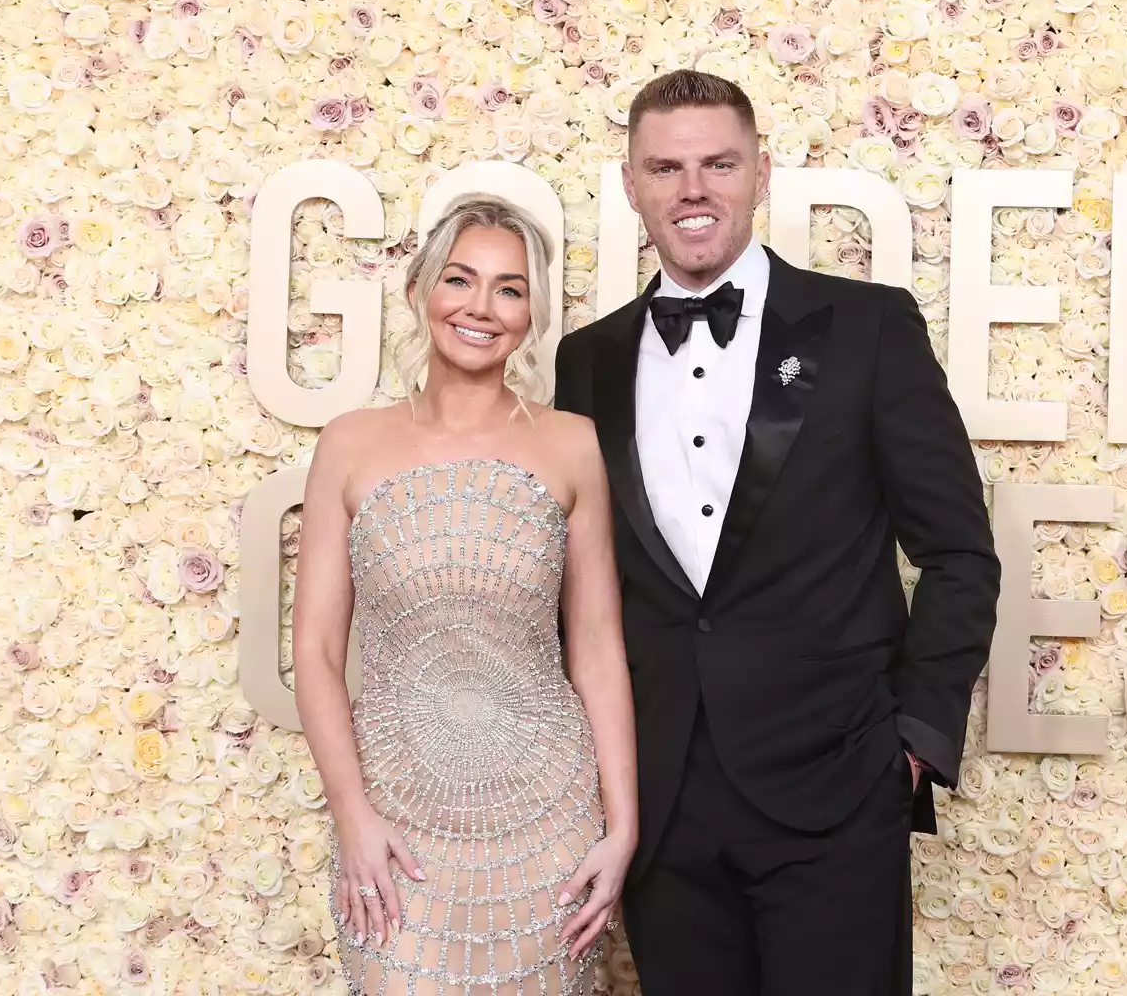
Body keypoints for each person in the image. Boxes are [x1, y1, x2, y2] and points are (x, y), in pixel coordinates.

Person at [554, 70, 1001, 996]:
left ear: (762, 171)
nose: (693, 189)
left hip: (836, 786)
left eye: (719, 163)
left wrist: (912, 740)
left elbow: (959, 550)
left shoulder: (870, 327)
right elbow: (579, 584)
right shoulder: (586, 360)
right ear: (631, 183)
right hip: (662, 797)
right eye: (665, 168)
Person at [293, 194, 638, 996]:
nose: (481, 307)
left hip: (548, 817)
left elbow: (596, 645)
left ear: (532, 315)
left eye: (509, 289)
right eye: (461, 279)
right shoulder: (349, 443)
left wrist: (622, 827)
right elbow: (313, 651)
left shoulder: (572, 442)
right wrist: (352, 816)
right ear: (421, 290)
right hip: (392, 817)